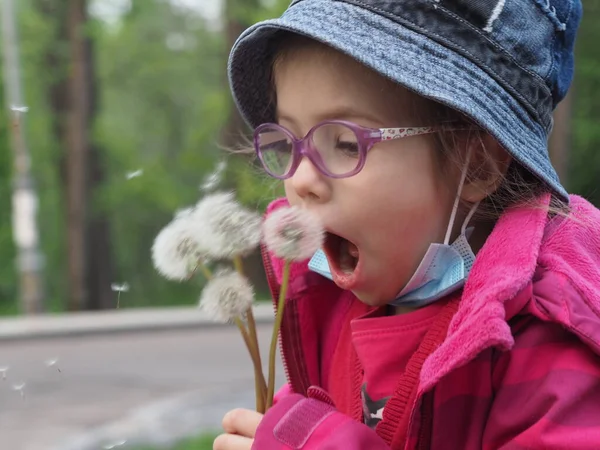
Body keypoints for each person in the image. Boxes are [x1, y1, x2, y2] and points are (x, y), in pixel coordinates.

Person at [215, 0, 600, 448]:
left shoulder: (549, 343)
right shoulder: (336, 312)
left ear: (476, 165)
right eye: (287, 141)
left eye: (343, 143)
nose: (300, 180)